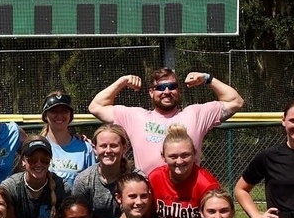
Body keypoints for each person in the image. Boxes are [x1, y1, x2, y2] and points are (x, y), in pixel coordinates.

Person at [88, 68, 244, 174]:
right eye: (160, 88)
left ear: (179, 90)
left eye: (172, 86)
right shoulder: (135, 116)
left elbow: (235, 101)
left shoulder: (195, 114)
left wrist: (207, 78)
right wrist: (121, 82)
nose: (167, 92)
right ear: (151, 92)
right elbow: (96, 106)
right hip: (146, 199)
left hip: (186, 199)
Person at [148, 125, 221, 218]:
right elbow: (148, 217)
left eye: (185, 155)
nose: (180, 161)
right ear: (163, 156)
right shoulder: (155, 178)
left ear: (195, 154)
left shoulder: (207, 184)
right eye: (173, 156)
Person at [1, 138, 67, 218]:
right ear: (23, 161)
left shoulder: (61, 187)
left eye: (44, 159)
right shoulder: (10, 187)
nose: (39, 164)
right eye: (32, 159)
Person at [72, 124, 135, 218]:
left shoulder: (137, 178)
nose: (108, 151)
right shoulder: (84, 180)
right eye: (103, 146)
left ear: (124, 147)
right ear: (95, 148)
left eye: (114, 146)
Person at [38, 91, 95, 188]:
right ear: (45, 116)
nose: (59, 116)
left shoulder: (84, 148)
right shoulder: (37, 146)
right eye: (54, 111)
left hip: (75, 202)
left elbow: (91, 183)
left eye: (64, 111)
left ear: (70, 115)